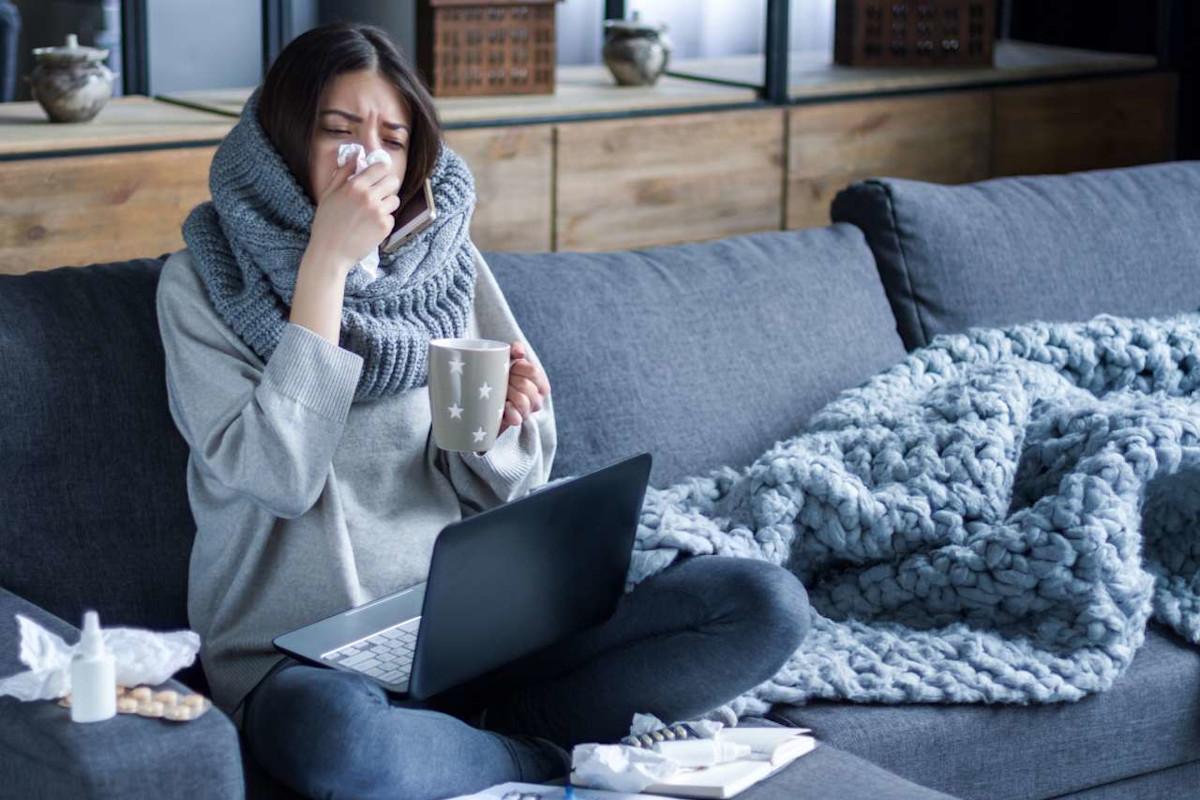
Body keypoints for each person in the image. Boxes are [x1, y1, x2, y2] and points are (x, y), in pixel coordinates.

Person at [156, 22, 811, 800]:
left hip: (467, 630)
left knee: (764, 605)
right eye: (339, 131)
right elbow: (279, 475)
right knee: (339, 741)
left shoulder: (442, 265)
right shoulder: (204, 284)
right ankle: (536, 753)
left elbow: (512, 487)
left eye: (393, 140)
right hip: (299, 660)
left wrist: (495, 434)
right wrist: (325, 265)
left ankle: (482, 737)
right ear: (284, 140)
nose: (369, 159)